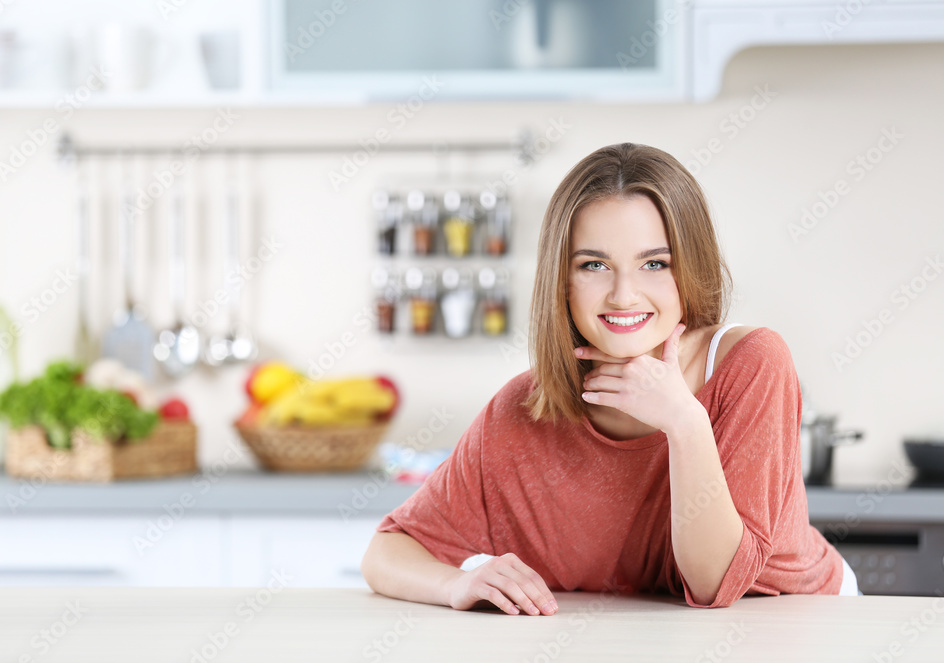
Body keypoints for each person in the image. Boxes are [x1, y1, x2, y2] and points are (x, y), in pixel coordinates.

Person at [361, 143, 857, 615]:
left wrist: (684, 421)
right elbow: (387, 552)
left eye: (654, 264)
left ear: (689, 269)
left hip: (807, 626)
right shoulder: (523, 409)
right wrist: (458, 582)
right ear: (563, 280)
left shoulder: (750, 363)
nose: (624, 295)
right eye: (594, 265)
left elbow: (714, 584)